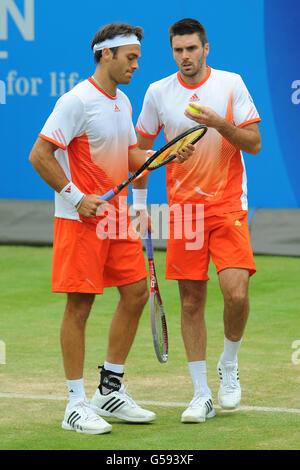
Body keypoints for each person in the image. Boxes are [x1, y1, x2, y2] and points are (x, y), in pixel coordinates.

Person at [29, 22, 194, 435]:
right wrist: (75, 196)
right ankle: (74, 403)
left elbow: (131, 154)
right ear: (107, 54)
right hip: (80, 219)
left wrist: (166, 155)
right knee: (80, 306)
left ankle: (109, 389)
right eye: (131, 57)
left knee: (137, 293)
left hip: (114, 217)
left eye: (138, 57)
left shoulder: (121, 100)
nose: (137, 65)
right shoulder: (76, 101)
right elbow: (40, 153)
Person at [135, 18, 261, 423]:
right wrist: (142, 202)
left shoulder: (230, 84)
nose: (185, 57)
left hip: (227, 205)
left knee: (236, 293)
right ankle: (201, 393)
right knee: (191, 301)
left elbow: (254, 144)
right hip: (184, 211)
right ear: (172, 52)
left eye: (192, 48)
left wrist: (219, 124)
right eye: (178, 50)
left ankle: (229, 363)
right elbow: (139, 155)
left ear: (206, 48)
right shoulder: (158, 93)